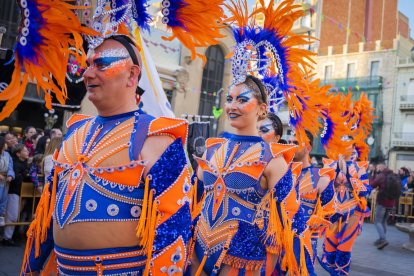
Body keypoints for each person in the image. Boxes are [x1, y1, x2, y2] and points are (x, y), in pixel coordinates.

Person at [22, 35, 192, 275]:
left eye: (101, 64)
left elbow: (175, 230)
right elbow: (46, 216)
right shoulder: (74, 132)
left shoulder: (158, 138)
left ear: (132, 75)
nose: (88, 74)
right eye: (88, 64)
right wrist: (31, 268)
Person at [190, 75, 301, 275]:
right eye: (230, 99)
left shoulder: (272, 159)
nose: (233, 106)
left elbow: (291, 216)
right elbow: (191, 197)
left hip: (240, 258)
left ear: (262, 109)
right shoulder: (212, 149)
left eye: (242, 100)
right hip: (198, 249)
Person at [285, 131, 335, 276]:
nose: (291, 146)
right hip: (277, 241)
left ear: (308, 148)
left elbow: (330, 213)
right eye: (290, 142)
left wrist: (314, 222)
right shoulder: (280, 171)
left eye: (295, 143)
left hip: (303, 243)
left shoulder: (320, 176)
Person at [320, 145, 371, 275]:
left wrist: (348, 174)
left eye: (349, 142)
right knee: (330, 250)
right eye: (342, 140)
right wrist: (337, 170)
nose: (345, 145)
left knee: (344, 249)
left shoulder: (360, 167)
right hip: (332, 214)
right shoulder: (329, 164)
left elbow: (365, 191)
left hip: (352, 213)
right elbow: (322, 188)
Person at [2, 144, 29, 246]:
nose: (27, 152)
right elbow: (17, 179)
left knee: (14, 215)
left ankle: (8, 236)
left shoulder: (24, 163)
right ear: (18, 153)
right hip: (14, 191)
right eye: (25, 151)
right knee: (11, 215)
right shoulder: (16, 164)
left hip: (19, 191)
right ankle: (6, 237)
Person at [370, 163, 399, 249]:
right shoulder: (393, 175)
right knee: (383, 221)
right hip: (391, 202)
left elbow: (372, 184)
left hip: (382, 202)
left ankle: (383, 239)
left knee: (377, 221)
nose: (378, 169)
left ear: (381, 167)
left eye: (378, 167)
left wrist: (373, 176)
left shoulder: (381, 176)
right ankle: (381, 239)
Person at [0, 136, 15, 227]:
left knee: (3, 200)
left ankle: (1, 216)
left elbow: (10, 167)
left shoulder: (7, 154)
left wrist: (10, 175)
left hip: (5, 181)